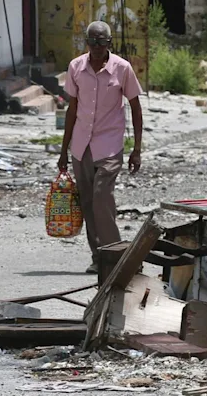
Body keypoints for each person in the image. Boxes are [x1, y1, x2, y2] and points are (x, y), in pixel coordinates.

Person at [57, 21, 144, 274]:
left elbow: (135, 108)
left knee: (101, 198)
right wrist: (63, 150)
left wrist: (136, 149)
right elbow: (72, 109)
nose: (96, 47)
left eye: (101, 42)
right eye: (92, 42)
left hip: (109, 145)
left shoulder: (122, 69)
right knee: (87, 202)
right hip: (81, 145)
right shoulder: (76, 67)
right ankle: (98, 257)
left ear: (109, 43)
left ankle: (116, 255)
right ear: (87, 43)